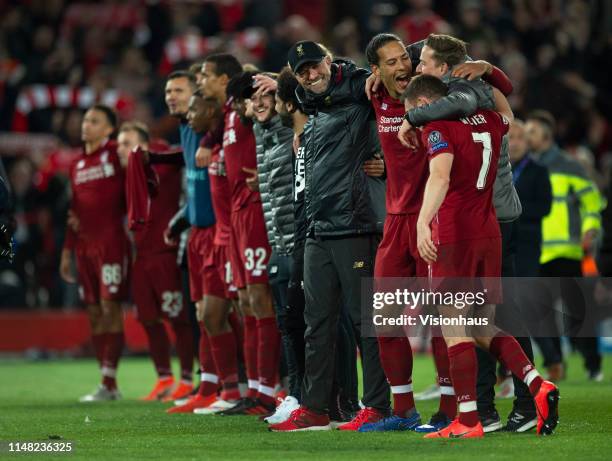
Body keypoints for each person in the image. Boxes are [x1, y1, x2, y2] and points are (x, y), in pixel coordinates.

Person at [406, 73, 559, 439]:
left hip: (456, 233)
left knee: (455, 326)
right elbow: (508, 114)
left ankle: (470, 419)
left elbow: (440, 178)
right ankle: (536, 382)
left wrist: (422, 223)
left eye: (414, 111)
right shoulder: (490, 121)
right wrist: (489, 72)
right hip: (489, 232)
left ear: (425, 104)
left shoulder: (438, 129)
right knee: (480, 325)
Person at [269, 41, 390, 432]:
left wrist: (389, 161)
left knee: (364, 322)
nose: (310, 75)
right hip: (320, 227)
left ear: (327, 61)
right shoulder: (309, 103)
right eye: (301, 70)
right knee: (315, 322)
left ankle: (377, 406)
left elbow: (398, 91)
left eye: (313, 66)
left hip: (355, 224)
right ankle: (317, 408)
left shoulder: (360, 85)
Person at [200, 54, 281, 416]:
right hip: (236, 217)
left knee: (260, 299)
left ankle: (268, 391)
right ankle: (255, 390)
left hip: (255, 209)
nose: (202, 82)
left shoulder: (250, 111)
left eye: (206, 76)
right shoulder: (229, 114)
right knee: (247, 302)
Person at [115, 122, 195, 402]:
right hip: (141, 256)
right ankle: (164, 378)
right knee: (148, 319)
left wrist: (154, 157)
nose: (120, 150)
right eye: (118, 145)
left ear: (144, 142)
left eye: (126, 143)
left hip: (166, 253)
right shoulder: (126, 173)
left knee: (179, 318)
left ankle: (186, 378)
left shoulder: (164, 156)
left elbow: (187, 154)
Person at [526, 110, 603, 382]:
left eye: (532, 131)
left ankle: (593, 365)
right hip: (537, 252)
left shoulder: (570, 166)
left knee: (579, 316)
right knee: (541, 316)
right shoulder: (526, 166)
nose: (526, 136)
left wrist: (590, 229)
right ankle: (555, 364)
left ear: (546, 135)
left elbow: (593, 203)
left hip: (568, 251)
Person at [59, 105, 129, 402]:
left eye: (94, 121)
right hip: (84, 248)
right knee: (94, 312)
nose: (86, 125)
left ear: (109, 129)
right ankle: (107, 382)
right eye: (85, 120)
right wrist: (66, 252)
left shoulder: (115, 152)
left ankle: (108, 381)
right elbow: (74, 211)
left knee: (109, 306)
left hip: (111, 242)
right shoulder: (76, 164)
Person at [163, 70, 218, 412]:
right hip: (198, 231)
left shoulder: (213, 131)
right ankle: (212, 384)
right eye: (167, 91)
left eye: (178, 90)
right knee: (203, 313)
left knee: (227, 312)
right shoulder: (187, 130)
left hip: (221, 230)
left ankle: (245, 385)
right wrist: (181, 220)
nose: (171, 96)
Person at [185, 91, 243, 414]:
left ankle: (266, 387)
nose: (190, 114)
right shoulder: (212, 143)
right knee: (213, 315)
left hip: (234, 238)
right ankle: (233, 389)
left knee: (245, 313)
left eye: (195, 106)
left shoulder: (234, 136)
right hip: (220, 240)